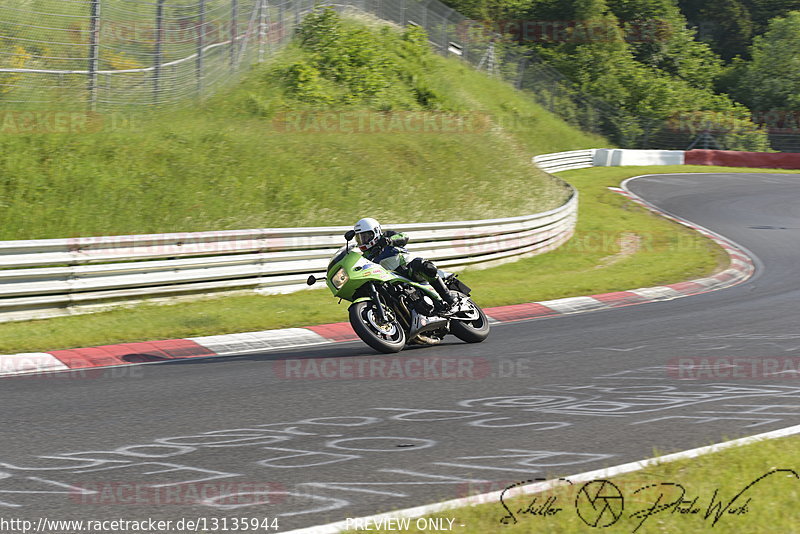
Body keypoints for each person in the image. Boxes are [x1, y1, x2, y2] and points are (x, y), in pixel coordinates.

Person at [353, 217, 457, 312]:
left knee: (422, 265)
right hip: (391, 279)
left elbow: (404, 236)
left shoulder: (387, 236)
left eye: (366, 236)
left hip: (408, 269)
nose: (363, 240)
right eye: (360, 238)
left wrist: (389, 241)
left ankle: (448, 297)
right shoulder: (366, 256)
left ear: (375, 232)